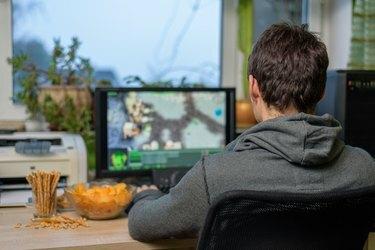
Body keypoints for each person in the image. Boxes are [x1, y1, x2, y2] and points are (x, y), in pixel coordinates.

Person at [127, 23, 375, 242]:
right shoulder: (364, 168)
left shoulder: (214, 176)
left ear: (253, 87)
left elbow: (143, 225)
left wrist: (145, 195)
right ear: (322, 91)